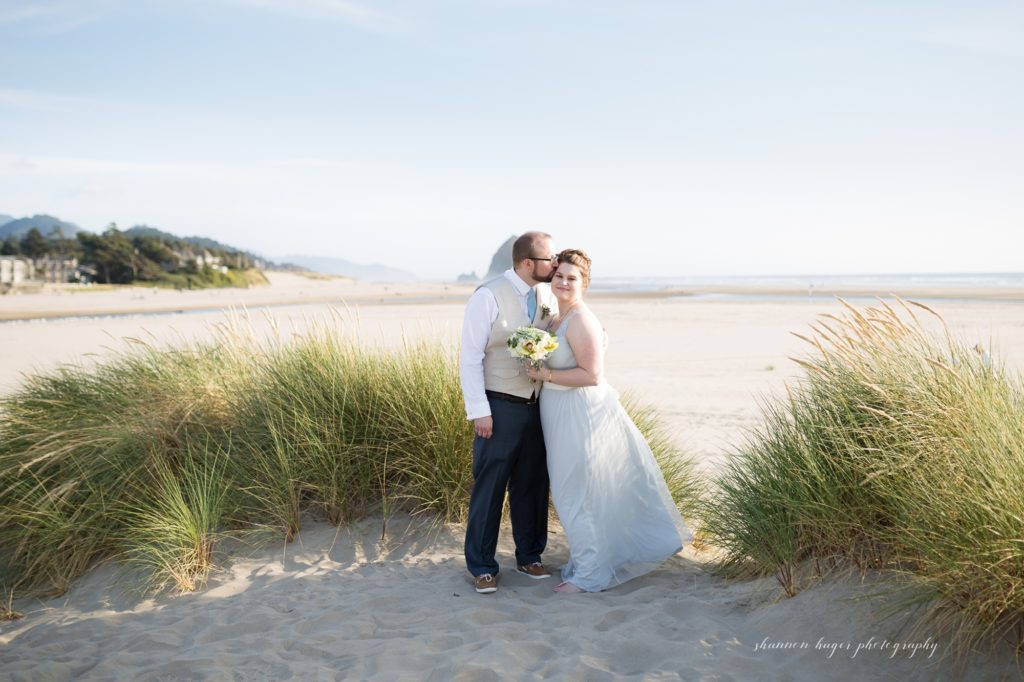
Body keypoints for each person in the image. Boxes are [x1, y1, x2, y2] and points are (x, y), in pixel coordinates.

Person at [525, 249, 693, 593]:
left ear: (584, 283)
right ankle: (587, 561)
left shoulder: (581, 319)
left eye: (572, 278)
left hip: (579, 416)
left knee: (577, 493)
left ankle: (589, 575)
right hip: (558, 416)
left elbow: (592, 375)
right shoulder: (556, 318)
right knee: (572, 491)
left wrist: (544, 374)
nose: (564, 282)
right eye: (559, 276)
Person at [459, 231, 561, 594]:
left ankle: (529, 556)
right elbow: (469, 357)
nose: (555, 263)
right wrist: (479, 412)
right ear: (527, 263)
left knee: (532, 485)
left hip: (538, 405)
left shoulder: (547, 295)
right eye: (550, 259)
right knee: (490, 488)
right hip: (498, 405)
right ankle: (483, 566)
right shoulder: (487, 296)